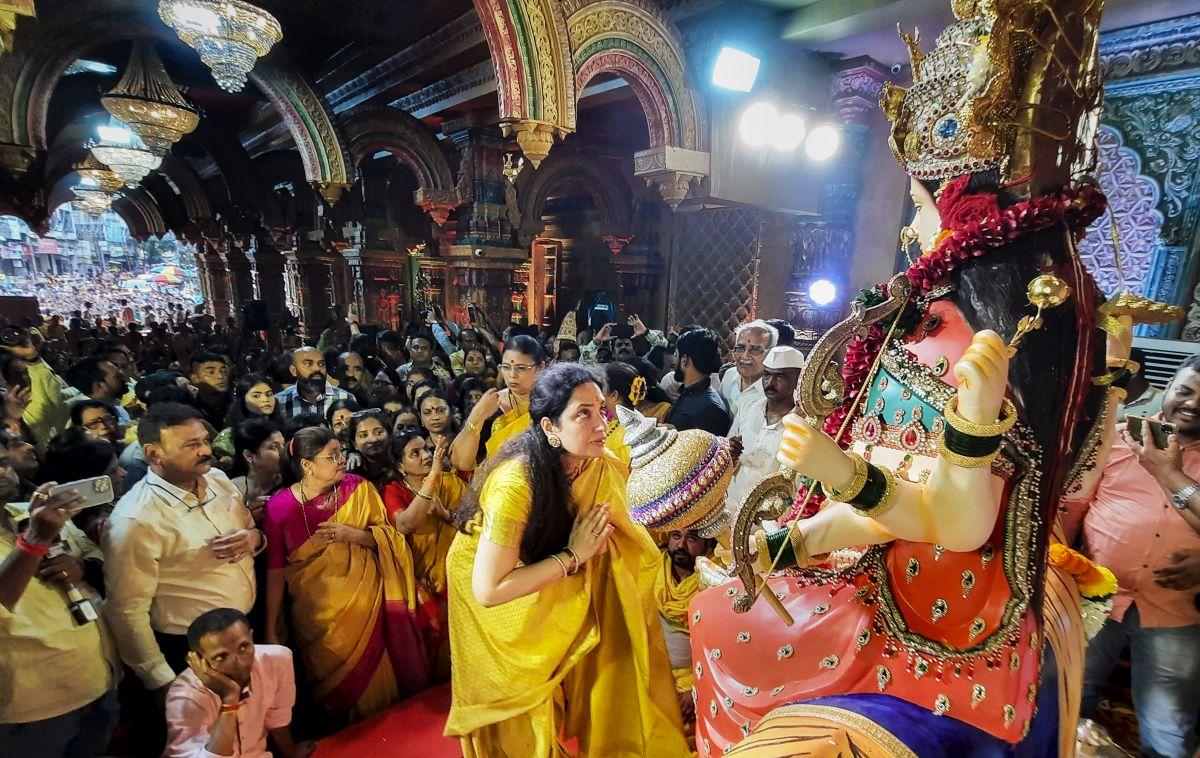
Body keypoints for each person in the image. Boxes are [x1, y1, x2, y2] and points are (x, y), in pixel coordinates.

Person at [444, 362, 688, 755]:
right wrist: (574, 556)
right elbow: (489, 589)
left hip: (552, 567)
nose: (600, 424)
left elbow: (635, 525)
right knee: (524, 704)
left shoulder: (597, 461)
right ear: (550, 428)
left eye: (600, 410)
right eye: (583, 414)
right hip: (490, 585)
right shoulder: (515, 483)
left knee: (619, 636)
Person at [1061, 355, 1200, 758]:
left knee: (1169, 724)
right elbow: (1074, 505)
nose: (1192, 403)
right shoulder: (1114, 439)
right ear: (1167, 390)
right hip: (1095, 598)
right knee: (1067, 694)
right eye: (1186, 390)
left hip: (1174, 611)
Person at [262, 427, 428, 721]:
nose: (342, 460)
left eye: (341, 452)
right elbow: (275, 571)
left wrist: (355, 535)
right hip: (316, 615)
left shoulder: (359, 488)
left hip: (367, 603)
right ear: (307, 465)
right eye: (332, 455)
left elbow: (391, 539)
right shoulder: (280, 508)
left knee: (380, 682)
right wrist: (271, 627)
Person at [104, 403, 261, 695]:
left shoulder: (216, 479)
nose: (205, 450)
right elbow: (127, 611)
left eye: (204, 441)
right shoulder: (136, 520)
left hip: (245, 626)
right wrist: (160, 679)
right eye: (192, 445)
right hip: (193, 647)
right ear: (154, 454)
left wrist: (253, 539)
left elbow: (250, 530)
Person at [0, 477, 120, 758]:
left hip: (98, 679)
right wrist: (34, 541)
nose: (4, 472)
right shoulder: (39, 525)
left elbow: (93, 553)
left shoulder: (28, 512)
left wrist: (81, 565)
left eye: (4, 462)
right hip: (34, 708)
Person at [164, 608, 312, 758]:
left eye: (243, 646)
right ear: (198, 659)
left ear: (252, 637)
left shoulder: (277, 661)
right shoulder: (185, 696)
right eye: (221, 656)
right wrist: (229, 700)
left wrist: (291, 753)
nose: (239, 663)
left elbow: (277, 719)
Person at [383, 431, 461, 676]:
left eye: (427, 449)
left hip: (456, 575)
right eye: (415, 453)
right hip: (421, 581)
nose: (426, 456)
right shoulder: (394, 492)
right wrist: (434, 474)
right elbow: (405, 525)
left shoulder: (450, 482)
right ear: (400, 465)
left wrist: (446, 515)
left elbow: (474, 522)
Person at [725, 345, 805, 513]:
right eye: (767, 375)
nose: (770, 383)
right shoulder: (748, 408)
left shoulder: (803, 425)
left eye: (780, 376)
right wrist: (729, 453)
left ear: (798, 379)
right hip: (730, 506)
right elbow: (728, 450)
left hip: (770, 519)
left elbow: (800, 484)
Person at [450, 334, 546, 472]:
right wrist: (477, 417)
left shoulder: (553, 403)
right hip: (502, 487)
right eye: (506, 367)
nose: (512, 375)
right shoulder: (492, 405)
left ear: (541, 367)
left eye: (521, 368)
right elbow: (461, 463)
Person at [656, 528, 716, 726]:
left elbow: (725, 648)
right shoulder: (650, 568)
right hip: (652, 676)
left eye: (691, 538)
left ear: (708, 543)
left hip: (697, 682)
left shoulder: (717, 581)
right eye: (676, 536)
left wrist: (696, 688)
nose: (681, 545)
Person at [665, 328, 731, 436]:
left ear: (684, 360)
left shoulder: (711, 409)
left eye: (676, 355)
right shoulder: (688, 394)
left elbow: (710, 451)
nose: (674, 361)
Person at [719, 320, 778, 420]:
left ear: (770, 353)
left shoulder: (775, 392)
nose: (745, 356)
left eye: (755, 349)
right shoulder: (729, 375)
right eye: (740, 348)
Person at [228, 419, 285, 522]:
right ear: (249, 456)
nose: (284, 452)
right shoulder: (232, 489)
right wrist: (248, 519)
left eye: (283, 445)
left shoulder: (292, 483)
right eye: (274, 447)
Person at [214, 373, 280, 460]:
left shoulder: (284, 430)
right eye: (256, 396)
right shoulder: (228, 438)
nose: (265, 400)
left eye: (269, 394)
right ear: (242, 400)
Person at [274, 347, 352, 419]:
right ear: (293, 370)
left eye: (321, 364)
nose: (317, 369)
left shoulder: (345, 398)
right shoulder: (280, 401)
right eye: (308, 364)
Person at [65, 355, 130, 423]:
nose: (124, 375)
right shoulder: (82, 415)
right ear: (99, 386)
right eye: (117, 377)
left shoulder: (113, 405)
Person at [1114, 347, 1165, 423]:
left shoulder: (1162, 402)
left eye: (1114, 369)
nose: (1108, 374)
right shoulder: (1106, 397)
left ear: (1133, 370)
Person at [348, 409, 393, 492]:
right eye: (363, 435)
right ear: (354, 444)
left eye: (379, 432)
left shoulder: (401, 463)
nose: (373, 440)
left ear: (390, 435)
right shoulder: (350, 472)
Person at [189, 351, 232, 429]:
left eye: (224, 371)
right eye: (211, 372)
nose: (220, 376)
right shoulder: (190, 414)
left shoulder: (241, 407)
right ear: (195, 378)